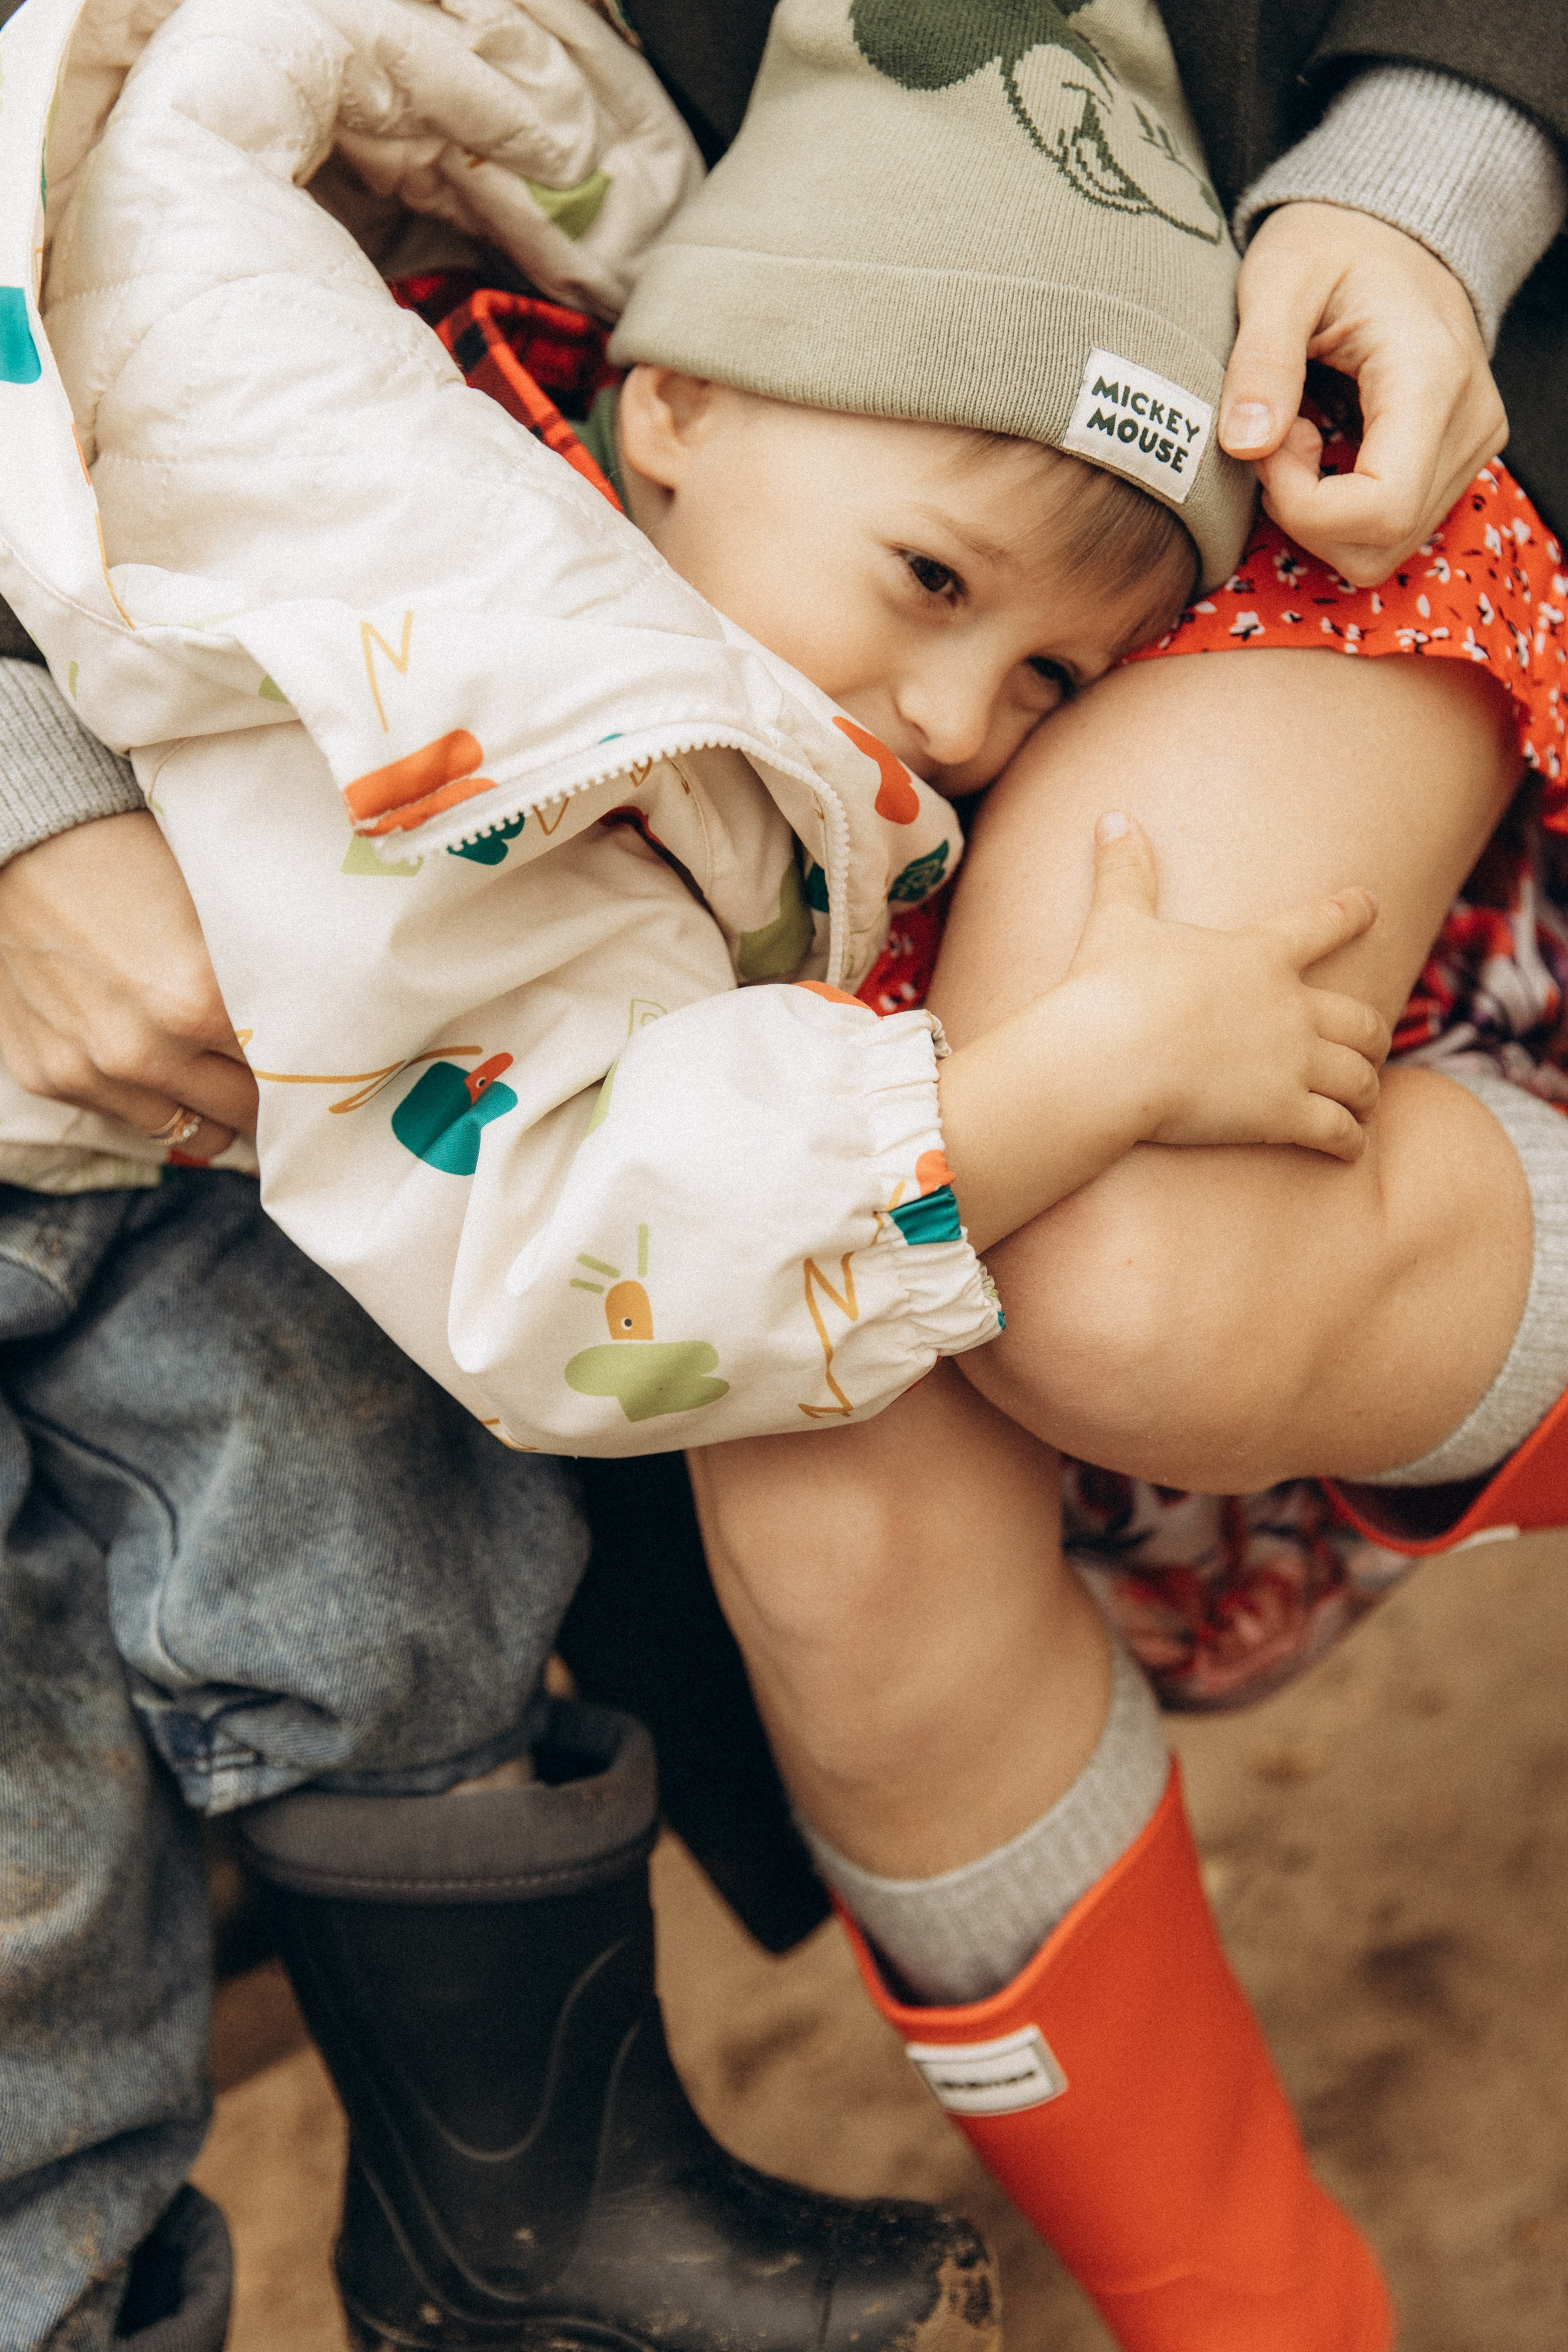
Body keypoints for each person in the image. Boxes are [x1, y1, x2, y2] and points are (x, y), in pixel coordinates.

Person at [0, 7, 1562, 2352]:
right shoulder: (472, 615)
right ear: (661, 407)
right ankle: (1249, 2310)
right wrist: (25, 778)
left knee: (1115, 1266)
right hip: (808, 421)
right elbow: (592, 1249)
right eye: (940, 617)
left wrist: (1447, 147)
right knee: (826, 1478)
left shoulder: (789, 545)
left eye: (1025, 681)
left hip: (1259, 369)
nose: (959, 716)